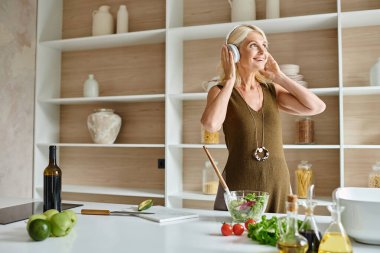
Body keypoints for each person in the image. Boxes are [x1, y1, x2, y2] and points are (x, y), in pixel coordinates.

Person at [200, 24, 326, 213]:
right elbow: (211, 125)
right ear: (233, 52)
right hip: (241, 183)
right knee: (237, 240)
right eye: (253, 45)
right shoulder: (219, 91)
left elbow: (317, 107)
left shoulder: (271, 90)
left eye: (265, 45)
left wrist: (280, 77)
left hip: (278, 183)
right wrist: (230, 81)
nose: (263, 51)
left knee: (277, 240)